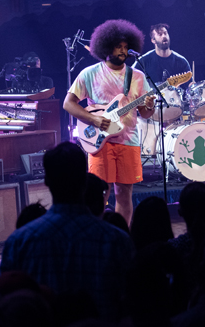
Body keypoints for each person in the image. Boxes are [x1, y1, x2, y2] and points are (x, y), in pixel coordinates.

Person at [0, 142, 135, 320]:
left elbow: (1, 304)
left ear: (47, 181)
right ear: (85, 180)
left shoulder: (20, 241)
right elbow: (133, 306)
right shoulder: (116, 240)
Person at [63, 19, 155, 226]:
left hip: (128, 141)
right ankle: (96, 233)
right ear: (105, 47)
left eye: (126, 46)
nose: (123, 50)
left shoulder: (138, 76)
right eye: (118, 46)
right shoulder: (89, 73)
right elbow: (68, 104)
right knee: (98, 194)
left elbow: (145, 114)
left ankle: (122, 234)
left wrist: (150, 106)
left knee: (124, 193)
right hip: (99, 142)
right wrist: (94, 119)